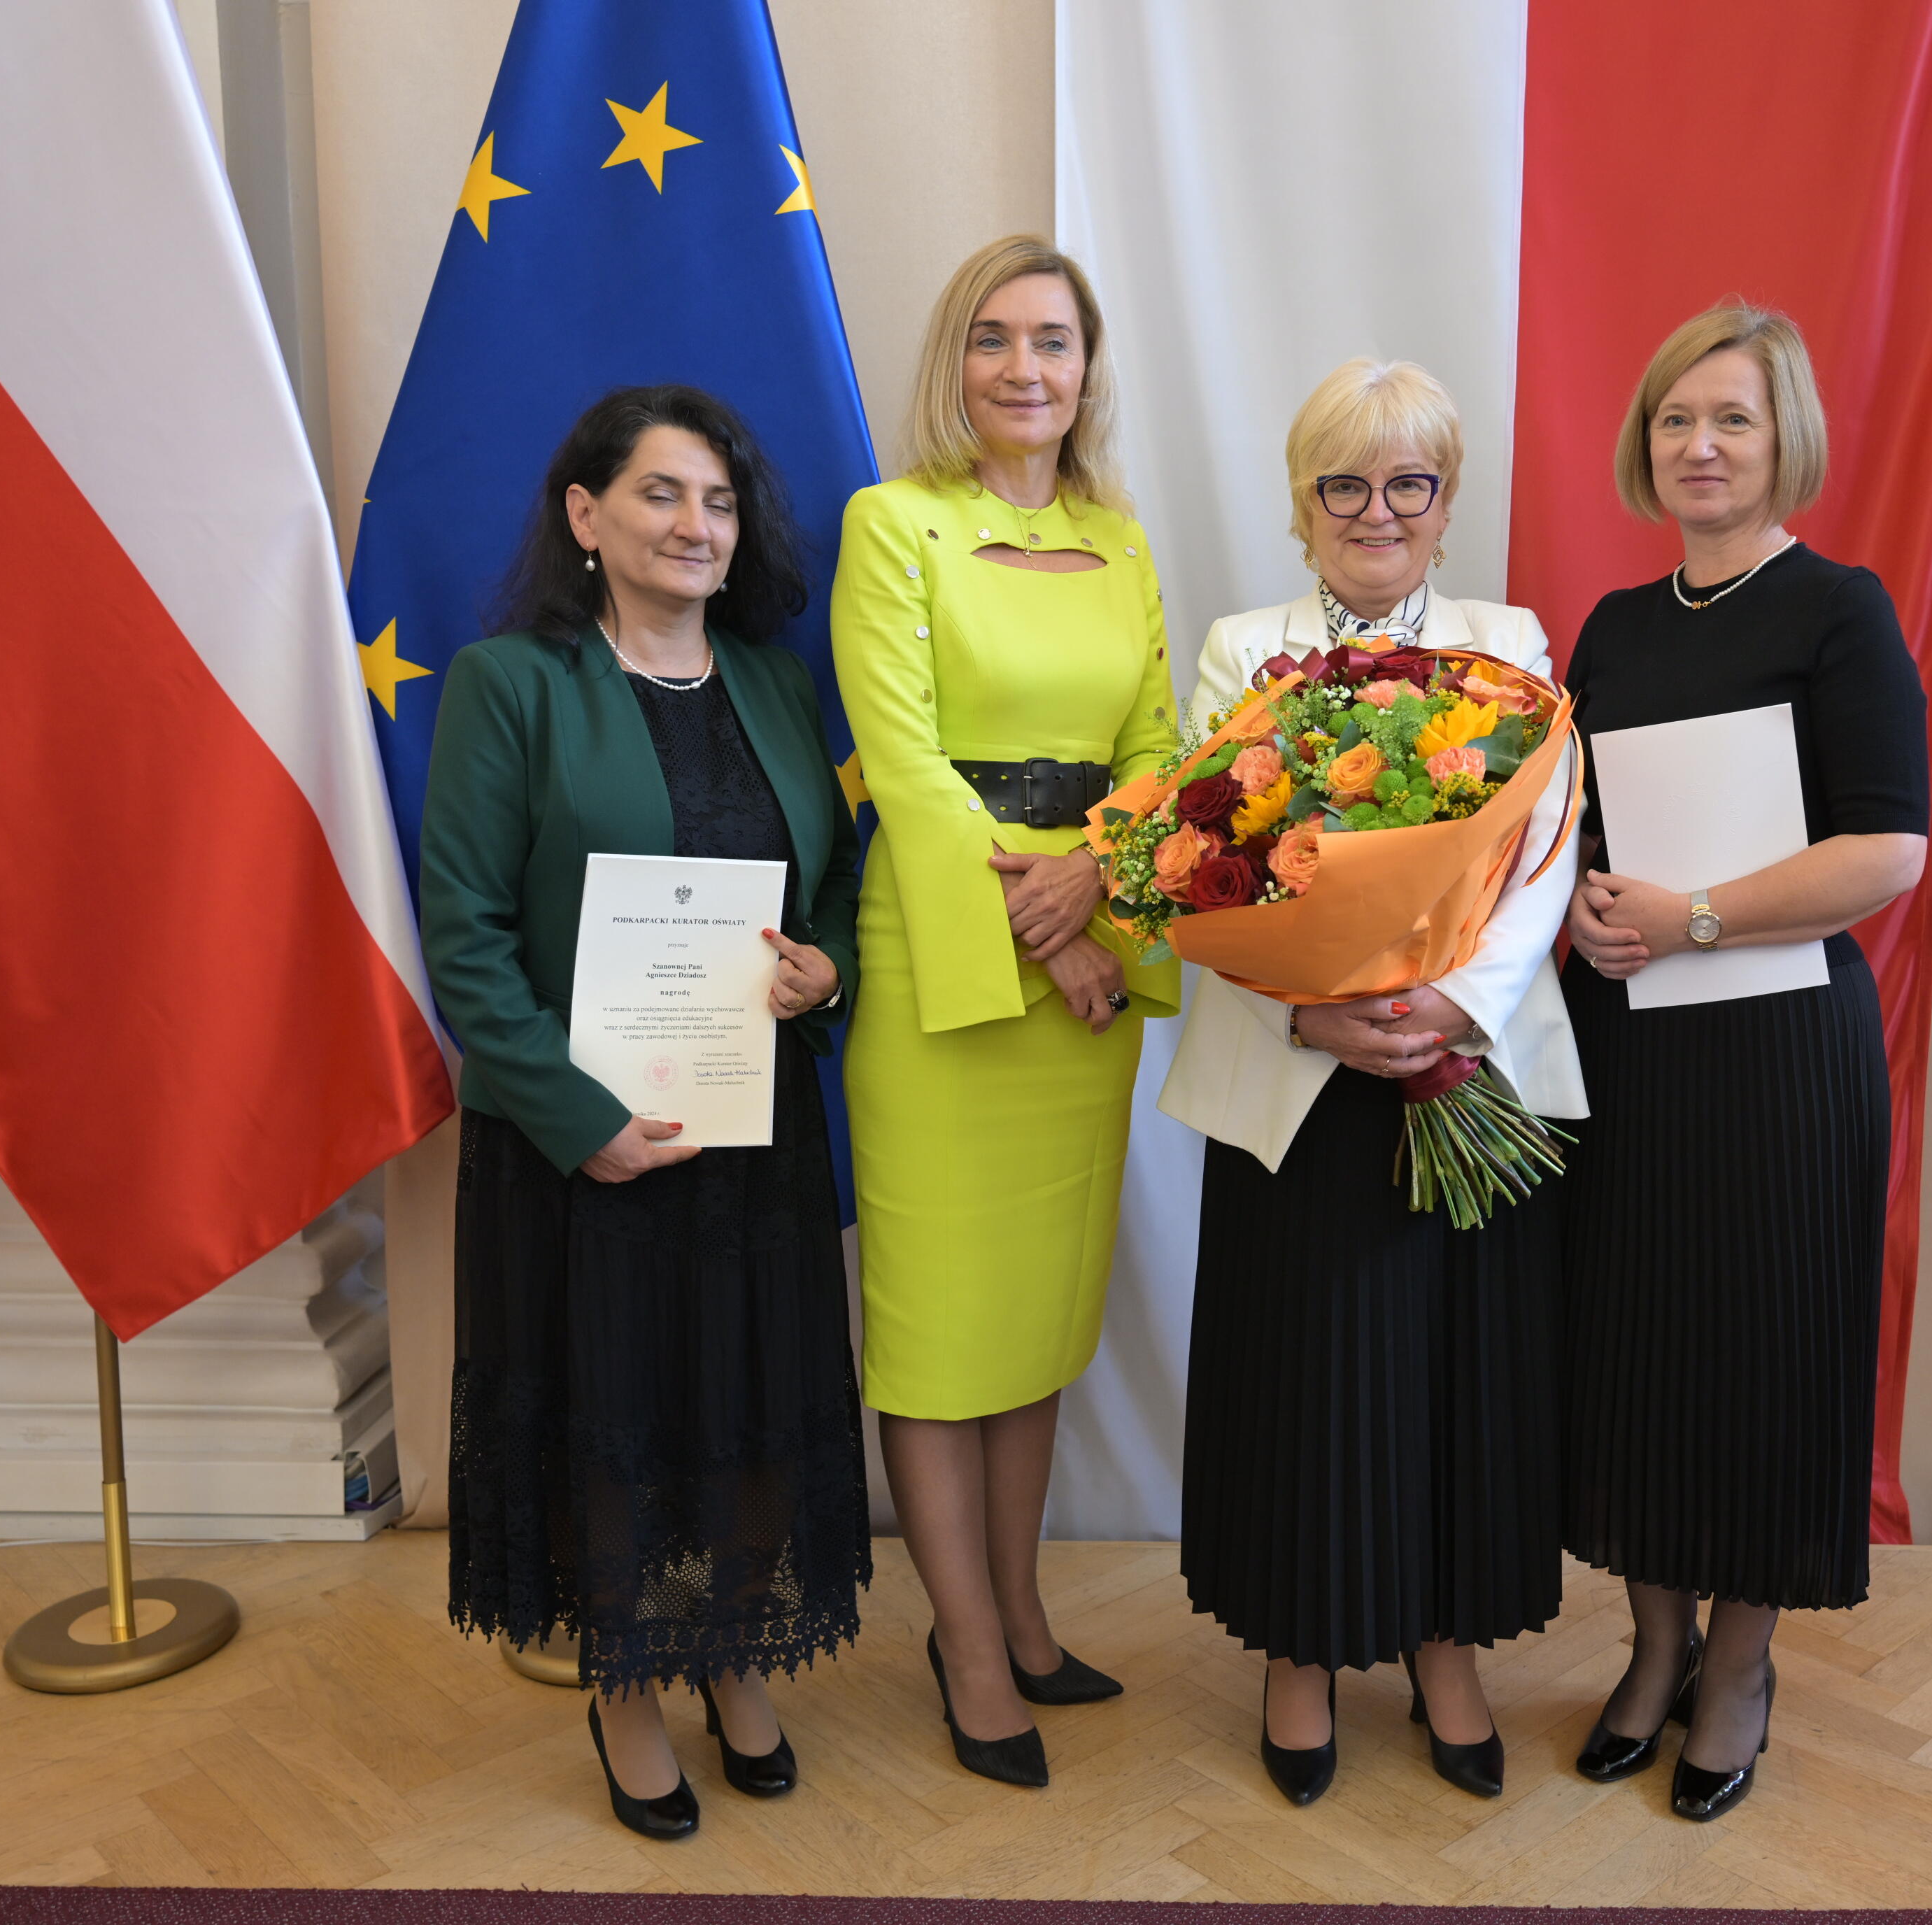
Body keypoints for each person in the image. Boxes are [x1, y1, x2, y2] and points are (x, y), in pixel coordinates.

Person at [423, 385, 872, 1840]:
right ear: (587, 515)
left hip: (752, 1133)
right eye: (662, 494)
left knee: (741, 1401)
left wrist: (826, 967)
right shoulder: (511, 683)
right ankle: (626, 1686)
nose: (697, 525)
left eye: (720, 502)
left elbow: (833, 881)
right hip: (586, 1151)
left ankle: (733, 1652)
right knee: (615, 1409)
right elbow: (466, 933)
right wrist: (577, 1116)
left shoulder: (774, 683)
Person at [1160, 359, 1584, 1808]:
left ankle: (1443, 1643)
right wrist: (1316, 1011)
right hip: (1300, 1080)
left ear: (1447, 503)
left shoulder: (1507, 639)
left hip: (1459, 1059)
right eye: (1345, 482)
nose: (1377, 510)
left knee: (1455, 1374)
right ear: (1304, 504)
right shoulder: (1245, 650)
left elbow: (1548, 842)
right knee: (1304, 1376)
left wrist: (1454, 1001)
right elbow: (1203, 863)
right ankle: (1299, 1651)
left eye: (1410, 482)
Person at [1558, 304, 1930, 1821]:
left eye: (1732, 419)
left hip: (1783, 1058)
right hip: (1633, 1052)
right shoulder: (1612, 628)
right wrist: (1585, 911)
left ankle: (1738, 1670)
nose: (1699, 446)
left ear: (1787, 443)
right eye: (1675, 419)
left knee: (1767, 1360)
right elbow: (1575, 837)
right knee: (1637, 1351)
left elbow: (1888, 849)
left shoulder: (1840, 611)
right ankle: (1654, 1646)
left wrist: (1692, 916)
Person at [831, 237, 1178, 1789]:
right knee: (935, 1327)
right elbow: (906, 765)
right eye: (994, 338)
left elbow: (1160, 756)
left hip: (1082, 966)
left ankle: (1025, 1615)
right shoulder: (893, 522)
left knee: (1035, 1318)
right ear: (954, 365)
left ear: (1088, 370)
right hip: (945, 964)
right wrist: (1047, 937)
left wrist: (1095, 898)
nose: (1024, 367)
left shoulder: (1121, 539)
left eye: (1052, 340)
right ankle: (967, 1647)